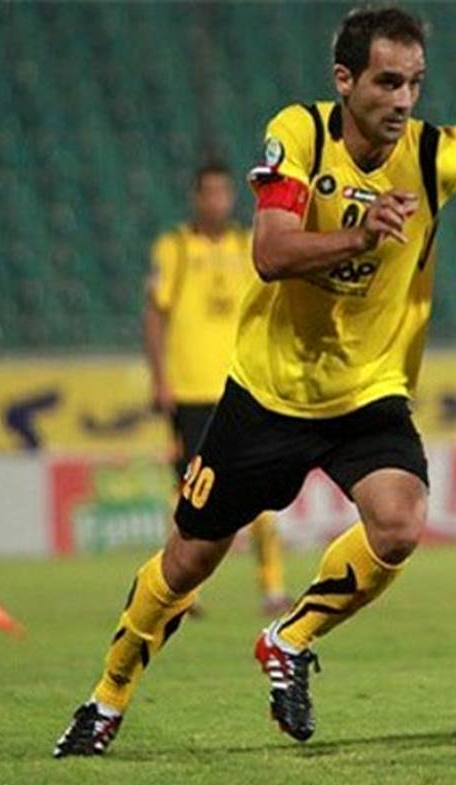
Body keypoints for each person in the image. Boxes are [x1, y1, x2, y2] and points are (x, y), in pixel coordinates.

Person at [54, 5, 456, 757]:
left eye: (415, 83)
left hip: (368, 391)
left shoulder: (438, 152)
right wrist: (361, 233)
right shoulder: (301, 133)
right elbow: (271, 254)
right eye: (387, 82)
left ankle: (290, 637)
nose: (404, 100)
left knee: (400, 523)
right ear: (345, 80)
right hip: (268, 393)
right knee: (188, 560)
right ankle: (106, 699)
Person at [143, 160, 293, 618]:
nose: (217, 201)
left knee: (261, 491)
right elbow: (154, 315)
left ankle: (273, 588)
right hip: (190, 390)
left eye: (224, 193)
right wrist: (160, 378)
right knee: (190, 494)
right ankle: (181, 591)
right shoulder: (174, 248)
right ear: (196, 197)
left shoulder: (249, 245)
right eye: (208, 193)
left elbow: (270, 310)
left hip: (242, 386)